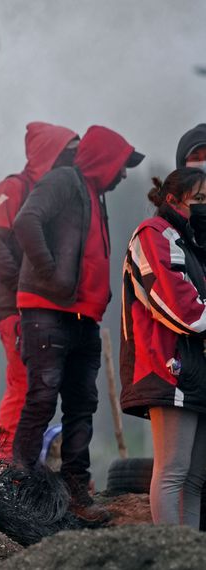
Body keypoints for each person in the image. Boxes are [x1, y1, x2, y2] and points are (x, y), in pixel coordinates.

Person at [11, 125, 144, 523]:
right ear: (103, 159)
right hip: (47, 313)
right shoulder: (64, 180)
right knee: (41, 399)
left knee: (82, 406)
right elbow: (26, 221)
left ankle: (75, 497)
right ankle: (19, 491)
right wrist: (52, 277)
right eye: (121, 165)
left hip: (84, 318)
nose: (124, 174)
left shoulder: (94, 194)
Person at [0, 122, 79, 461]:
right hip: (18, 309)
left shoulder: (52, 192)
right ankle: (6, 465)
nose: (74, 159)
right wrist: (22, 288)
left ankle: (20, 464)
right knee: (23, 384)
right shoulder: (15, 187)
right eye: (68, 151)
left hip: (40, 309)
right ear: (49, 152)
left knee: (38, 387)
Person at [120, 167, 206, 528]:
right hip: (166, 366)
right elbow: (179, 306)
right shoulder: (152, 235)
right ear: (172, 200)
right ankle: (170, 556)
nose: (205, 207)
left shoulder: (190, 242)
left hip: (194, 370)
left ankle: (187, 557)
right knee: (172, 471)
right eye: (198, 200)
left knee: (194, 478)